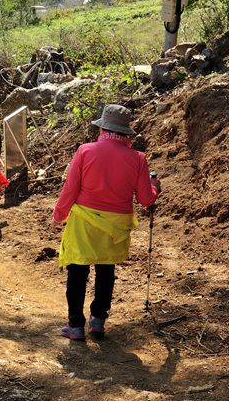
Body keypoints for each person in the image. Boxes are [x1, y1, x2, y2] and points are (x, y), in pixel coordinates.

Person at [51, 104, 159, 341]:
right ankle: (98, 320)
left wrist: (58, 216)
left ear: (102, 128)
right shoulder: (138, 158)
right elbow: (145, 199)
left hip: (84, 222)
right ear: (126, 133)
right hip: (116, 226)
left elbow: (70, 190)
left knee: (77, 272)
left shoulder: (85, 151)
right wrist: (155, 188)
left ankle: (75, 325)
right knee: (106, 271)